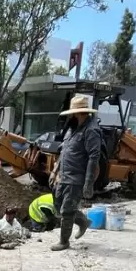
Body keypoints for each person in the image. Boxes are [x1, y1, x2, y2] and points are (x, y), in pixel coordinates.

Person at [51, 95, 100, 251]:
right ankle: (83, 221)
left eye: (72, 113)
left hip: (76, 179)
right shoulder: (72, 128)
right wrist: (55, 170)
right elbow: (64, 152)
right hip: (64, 176)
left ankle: (64, 241)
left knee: (66, 211)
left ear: (79, 113)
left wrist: (88, 183)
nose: (70, 116)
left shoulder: (91, 131)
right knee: (58, 206)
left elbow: (94, 158)